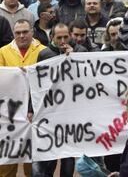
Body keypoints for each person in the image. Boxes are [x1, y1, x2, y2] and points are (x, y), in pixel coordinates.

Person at [33, 23, 86, 177]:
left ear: (70, 35)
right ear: (52, 38)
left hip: (71, 114)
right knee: (48, 159)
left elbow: (87, 78)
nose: (63, 40)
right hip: (50, 114)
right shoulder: (44, 54)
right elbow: (37, 83)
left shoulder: (80, 51)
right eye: (59, 37)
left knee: (68, 158)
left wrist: (73, 57)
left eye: (65, 37)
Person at [0, 19, 46, 177]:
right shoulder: (3, 52)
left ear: (32, 32)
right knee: (7, 160)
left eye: (25, 32)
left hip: (35, 113)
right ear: (13, 34)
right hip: (9, 115)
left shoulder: (44, 51)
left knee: (34, 162)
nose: (21, 36)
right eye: (18, 33)